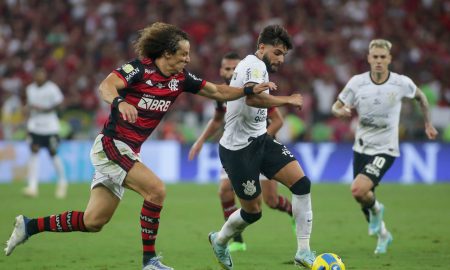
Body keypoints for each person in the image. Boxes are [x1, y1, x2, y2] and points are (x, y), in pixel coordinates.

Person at [4, 22, 275, 270]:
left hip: (127, 150)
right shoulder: (139, 69)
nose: (187, 59)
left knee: (93, 221)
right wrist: (119, 102)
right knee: (156, 190)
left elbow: (218, 91)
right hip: (111, 145)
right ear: (167, 53)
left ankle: (29, 226)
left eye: (188, 54)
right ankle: (150, 261)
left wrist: (249, 90)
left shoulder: (181, 79)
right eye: (183, 54)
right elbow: (106, 85)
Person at [207, 25, 315, 270]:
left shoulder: (261, 68)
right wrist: (287, 99)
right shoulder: (253, 65)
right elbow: (252, 98)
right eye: (277, 52)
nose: (281, 59)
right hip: (237, 150)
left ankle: (304, 251)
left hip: (261, 140)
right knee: (253, 212)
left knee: (301, 184)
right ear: (262, 47)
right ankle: (220, 240)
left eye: (284, 55)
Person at [331, 39, 438, 255]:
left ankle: (378, 211)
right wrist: (339, 112)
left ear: (389, 59)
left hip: (386, 149)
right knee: (362, 198)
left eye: (383, 57)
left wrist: (428, 123)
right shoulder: (357, 83)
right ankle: (383, 233)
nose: (379, 61)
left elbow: (421, 98)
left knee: (357, 189)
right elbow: (336, 105)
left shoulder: (400, 83)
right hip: (361, 148)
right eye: (375, 57)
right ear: (369, 59)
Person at [188, 52, 294, 253]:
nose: (229, 72)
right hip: (236, 149)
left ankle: (293, 214)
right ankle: (236, 239)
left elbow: (278, 120)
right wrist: (200, 141)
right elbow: (218, 119)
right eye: (226, 68)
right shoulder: (222, 94)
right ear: (221, 70)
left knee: (271, 201)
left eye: (233, 68)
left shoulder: (254, 89)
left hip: (262, 146)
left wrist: (260, 141)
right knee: (224, 190)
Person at [23, 68, 68, 199]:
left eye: (41, 75)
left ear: (45, 76)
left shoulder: (52, 88)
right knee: (34, 153)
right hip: (35, 126)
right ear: (34, 76)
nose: (39, 77)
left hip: (50, 127)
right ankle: (32, 187)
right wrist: (27, 110)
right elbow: (29, 106)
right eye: (37, 75)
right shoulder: (30, 89)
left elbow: (59, 104)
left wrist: (44, 109)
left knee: (53, 154)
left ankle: (62, 182)